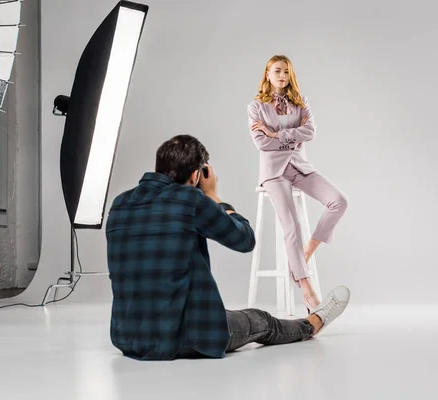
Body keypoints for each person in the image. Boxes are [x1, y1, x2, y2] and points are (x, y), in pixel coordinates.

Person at [105, 134, 350, 361]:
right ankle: (314, 321)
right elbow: (245, 239)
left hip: (128, 337)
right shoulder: (190, 200)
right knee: (260, 320)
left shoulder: (120, 204)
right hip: (186, 336)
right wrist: (213, 196)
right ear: (196, 174)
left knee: (225, 313)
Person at [248, 55, 349, 311]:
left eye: (286, 72)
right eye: (277, 71)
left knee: (339, 201)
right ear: (268, 74)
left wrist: (278, 134)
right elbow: (262, 143)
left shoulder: (300, 103)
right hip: (274, 172)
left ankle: (305, 254)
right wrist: (290, 137)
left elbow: (311, 131)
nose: (282, 75)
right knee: (291, 224)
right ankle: (307, 291)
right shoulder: (256, 107)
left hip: (299, 166)